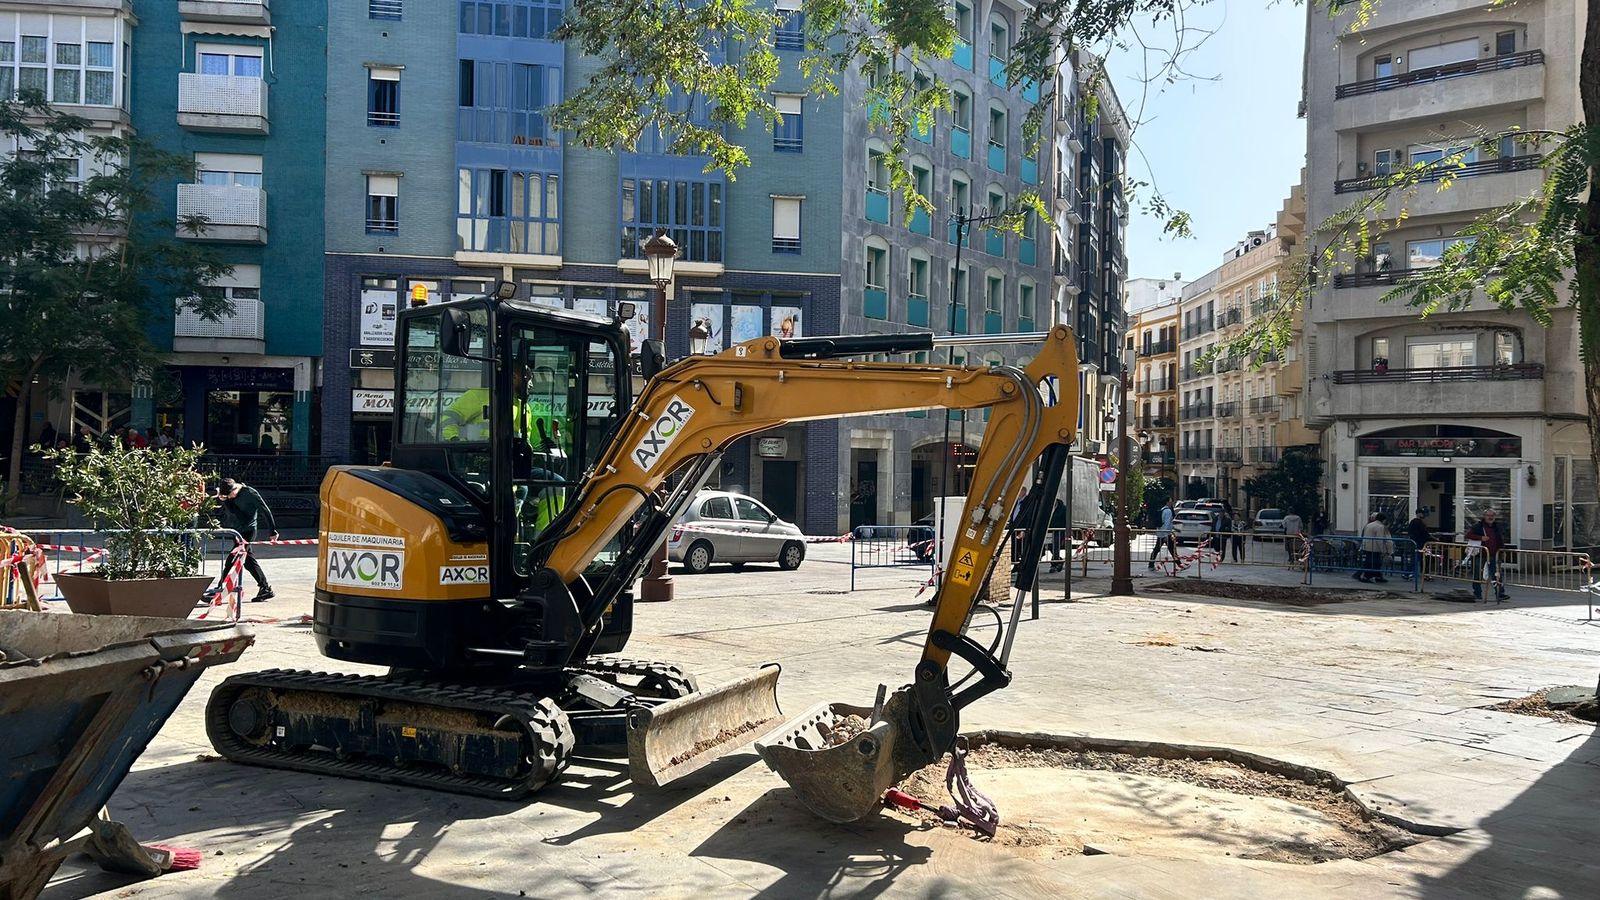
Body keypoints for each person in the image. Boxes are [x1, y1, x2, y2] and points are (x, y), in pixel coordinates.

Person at [217, 477, 279, 602]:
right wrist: (226, 501)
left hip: (248, 530)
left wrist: (272, 530)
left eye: (230, 495)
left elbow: (265, 510)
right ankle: (265, 588)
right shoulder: (231, 497)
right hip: (238, 530)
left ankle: (219, 588)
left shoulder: (250, 493)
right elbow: (235, 511)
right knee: (248, 562)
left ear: (234, 488)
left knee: (232, 559)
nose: (230, 497)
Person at [1465, 508, 1509, 601]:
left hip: (1493, 554)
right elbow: (1468, 535)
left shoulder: (1496, 527)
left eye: (1492, 515)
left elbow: (1500, 539)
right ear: (1484, 516)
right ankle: (1477, 593)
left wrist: (1503, 551)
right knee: (1477, 574)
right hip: (1480, 554)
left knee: (1496, 574)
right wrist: (1480, 537)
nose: (1490, 517)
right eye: (1488, 515)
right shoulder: (1478, 526)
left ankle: (1500, 593)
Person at [1356, 512, 1392, 583]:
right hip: (1375, 547)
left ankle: (1374, 575)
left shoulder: (1369, 525)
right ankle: (1369, 576)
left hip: (1367, 546)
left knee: (1369, 562)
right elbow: (1380, 539)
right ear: (1383, 520)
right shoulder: (1380, 527)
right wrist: (1383, 550)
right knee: (1375, 562)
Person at [1148, 499, 1177, 568]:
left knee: (1157, 549)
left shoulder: (1162, 510)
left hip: (1160, 532)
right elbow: (1167, 523)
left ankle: (1151, 564)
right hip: (1166, 534)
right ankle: (1179, 564)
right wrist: (1166, 534)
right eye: (1170, 501)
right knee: (1171, 550)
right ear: (1167, 502)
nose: (1171, 502)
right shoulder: (1168, 511)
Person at [1048, 496, 1068, 573]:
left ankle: (1054, 564)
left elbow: (1066, 520)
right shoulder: (1048, 507)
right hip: (1049, 530)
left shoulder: (1063, 508)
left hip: (1059, 531)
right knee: (1050, 547)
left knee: (1055, 547)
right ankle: (1059, 560)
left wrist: (1067, 531)